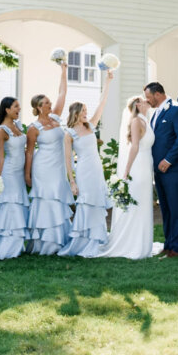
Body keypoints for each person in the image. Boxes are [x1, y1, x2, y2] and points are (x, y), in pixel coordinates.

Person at [96, 94, 163, 259]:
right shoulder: (135, 122)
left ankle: (142, 243)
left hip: (146, 165)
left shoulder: (145, 120)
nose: (147, 101)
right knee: (136, 203)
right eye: (143, 100)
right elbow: (134, 147)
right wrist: (126, 172)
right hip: (137, 166)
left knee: (144, 203)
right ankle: (131, 243)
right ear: (138, 105)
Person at [59, 72, 115, 257]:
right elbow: (68, 160)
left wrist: (107, 81)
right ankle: (83, 241)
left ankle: (97, 238)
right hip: (83, 171)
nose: (86, 113)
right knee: (86, 202)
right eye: (83, 111)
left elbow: (102, 104)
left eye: (86, 111)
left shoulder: (90, 126)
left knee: (97, 202)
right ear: (75, 113)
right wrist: (72, 182)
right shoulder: (69, 134)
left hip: (96, 170)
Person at [25, 62, 73, 255]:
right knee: (45, 199)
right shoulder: (33, 127)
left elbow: (62, 94)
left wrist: (63, 71)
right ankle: (44, 244)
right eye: (45, 102)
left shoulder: (56, 119)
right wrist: (27, 175)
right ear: (38, 107)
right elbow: (29, 152)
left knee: (57, 198)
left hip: (58, 166)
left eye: (49, 102)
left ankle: (60, 239)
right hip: (43, 168)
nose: (50, 104)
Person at [143, 81, 178, 258]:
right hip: (159, 170)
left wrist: (169, 160)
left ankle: (176, 248)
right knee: (166, 208)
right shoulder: (155, 113)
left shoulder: (177, 109)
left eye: (148, 98)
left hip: (175, 169)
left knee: (175, 207)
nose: (147, 101)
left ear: (158, 94)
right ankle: (168, 244)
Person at [0, 97, 31, 260]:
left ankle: (17, 245)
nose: (19, 109)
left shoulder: (17, 126)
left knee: (20, 205)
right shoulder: (1, 130)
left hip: (20, 173)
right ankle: (8, 247)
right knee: (12, 205)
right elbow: (0, 157)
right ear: (7, 109)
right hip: (9, 173)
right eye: (16, 107)